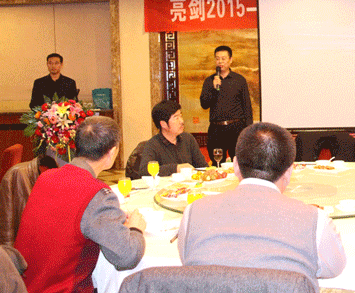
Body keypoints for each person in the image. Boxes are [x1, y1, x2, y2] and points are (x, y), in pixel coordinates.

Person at [178, 122, 346, 291]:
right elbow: (334, 268)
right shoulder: (314, 220)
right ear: (289, 171)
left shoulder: (193, 212)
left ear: (235, 165)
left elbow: (187, 260)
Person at [14, 116, 146, 293]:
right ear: (112, 152)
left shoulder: (46, 177)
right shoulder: (97, 194)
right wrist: (136, 228)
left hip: (22, 285)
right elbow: (126, 257)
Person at [200, 45, 253, 164]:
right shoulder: (209, 81)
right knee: (217, 163)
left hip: (236, 128)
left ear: (230, 60)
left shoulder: (239, 80)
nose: (220, 61)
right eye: (217, 58)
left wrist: (248, 131)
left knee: (239, 163)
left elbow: (247, 107)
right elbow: (204, 104)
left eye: (223, 58)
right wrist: (214, 89)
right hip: (216, 129)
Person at [139, 100, 207, 176]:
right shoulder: (152, 145)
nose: (182, 121)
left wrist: (209, 171)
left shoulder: (188, 139)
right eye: (176, 118)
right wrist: (176, 168)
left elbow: (202, 166)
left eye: (181, 116)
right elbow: (144, 170)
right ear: (163, 124)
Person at [0, 155, 57, 246]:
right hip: (19, 241)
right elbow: (7, 218)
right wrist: (7, 248)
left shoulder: (51, 175)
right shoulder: (17, 175)